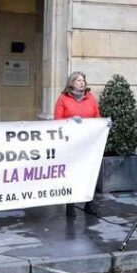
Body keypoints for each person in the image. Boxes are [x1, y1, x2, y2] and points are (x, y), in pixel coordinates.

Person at [54, 71, 101, 217]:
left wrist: (105, 123)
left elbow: (97, 117)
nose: (82, 82)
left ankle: (89, 202)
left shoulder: (91, 98)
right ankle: (70, 203)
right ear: (72, 82)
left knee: (89, 172)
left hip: (88, 143)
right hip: (71, 144)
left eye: (83, 80)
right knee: (72, 172)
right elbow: (57, 121)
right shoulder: (63, 99)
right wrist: (70, 120)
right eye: (79, 80)